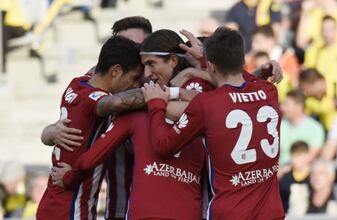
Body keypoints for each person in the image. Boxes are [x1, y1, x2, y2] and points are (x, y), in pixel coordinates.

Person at [142, 27, 284, 219]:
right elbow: (244, 79)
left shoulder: (207, 104)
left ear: (211, 66)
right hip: (272, 212)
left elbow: (163, 146)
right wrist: (201, 62)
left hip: (230, 213)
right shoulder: (268, 91)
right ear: (242, 60)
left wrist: (156, 104)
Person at [40, 15, 153, 220]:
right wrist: (164, 94)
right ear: (116, 69)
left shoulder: (79, 82)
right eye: (134, 78)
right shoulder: (101, 97)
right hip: (73, 206)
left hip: (60, 202)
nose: (135, 83)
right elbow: (109, 103)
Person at [279, 89, 325, 166]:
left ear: (299, 106)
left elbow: (311, 156)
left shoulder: (315, 128)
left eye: (286, 104)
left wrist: (288, 169)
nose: (282, 108)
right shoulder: (279, 125)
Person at [279, 141, 312, 212]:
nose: (295, 160)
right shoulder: (285, 178)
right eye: (293, 156)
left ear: (308, 156)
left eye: (299, 156)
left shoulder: (314, 177)